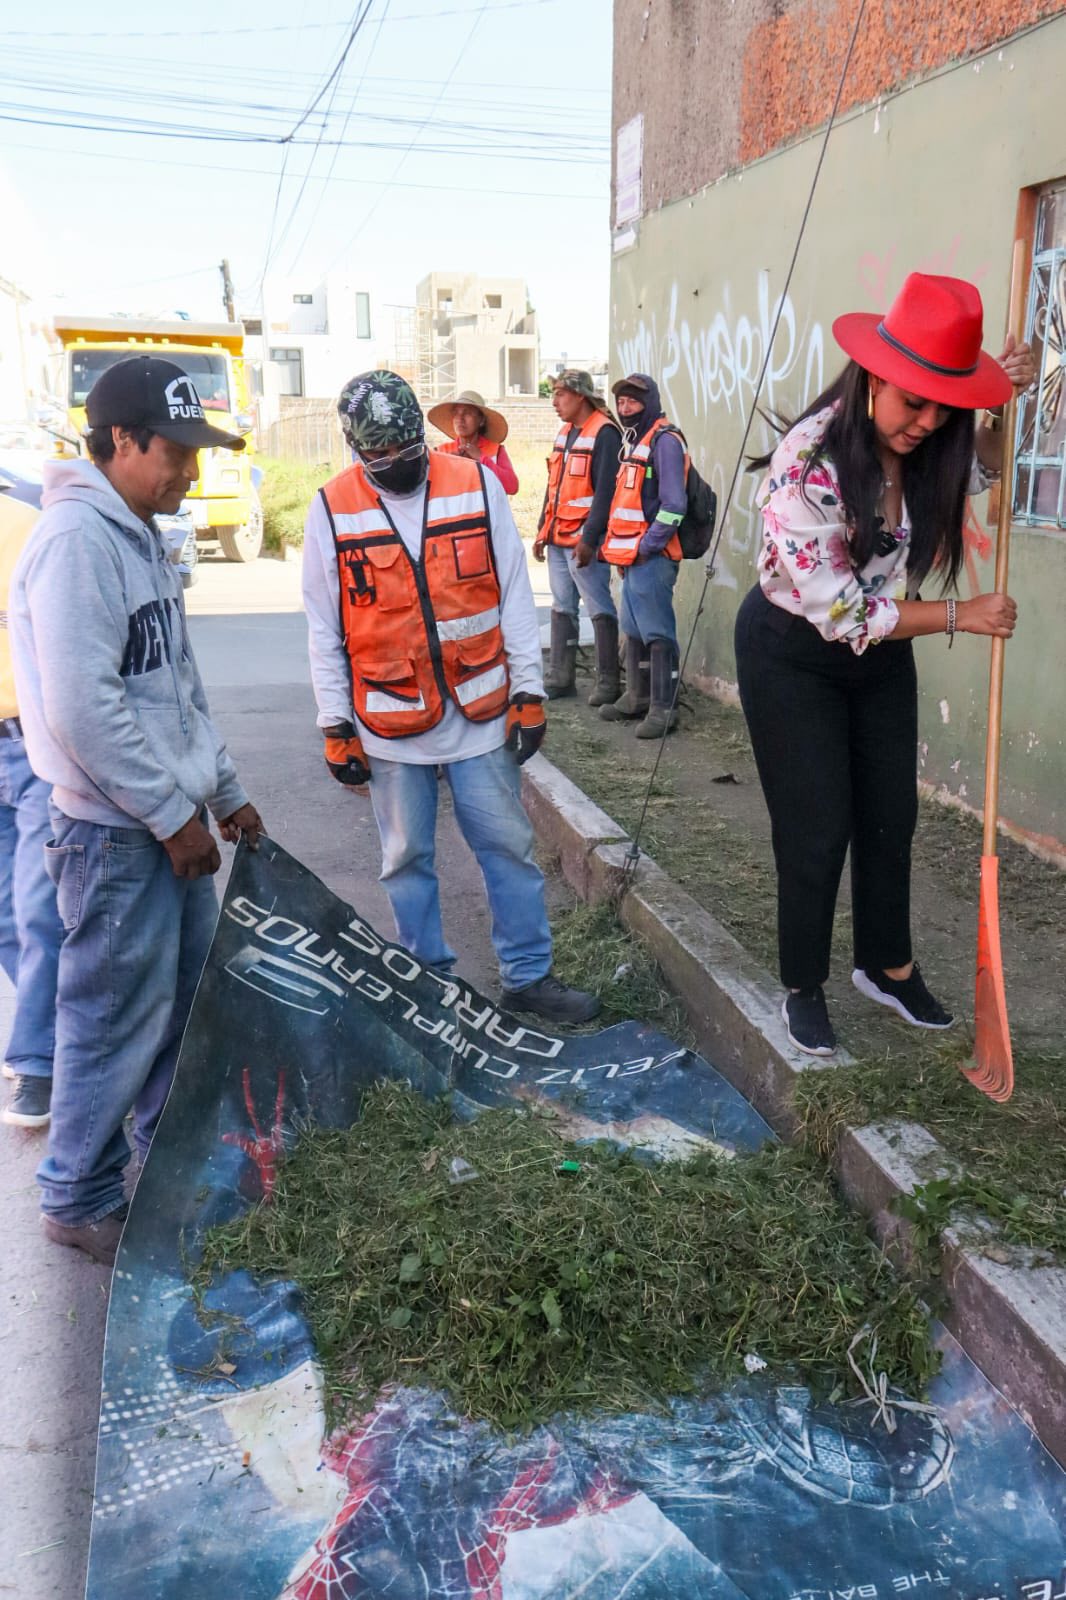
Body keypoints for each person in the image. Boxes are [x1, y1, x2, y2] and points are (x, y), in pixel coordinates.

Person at [734, 272, 1034, 1056]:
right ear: (873, 378)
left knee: (889, 815)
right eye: (913, 402)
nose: (927, 422)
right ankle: (804, 983)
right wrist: (961, 616)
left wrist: (997, 407)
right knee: (817, 823)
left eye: (945, 407)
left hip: (881, 650)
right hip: (794, 651)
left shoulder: (934, 438)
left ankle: (887, 966)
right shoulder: (808, 465)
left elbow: (982, 468)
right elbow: (840, 611)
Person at [10, 355, 264, 1264]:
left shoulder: (139, 534)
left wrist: (225, 793)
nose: (190, 469)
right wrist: (170, 815)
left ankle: (158, 1163)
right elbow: (85, 709)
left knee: (181, 1007)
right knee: (113, 1017)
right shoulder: (78, 543)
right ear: (121, 440)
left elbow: (175, 684)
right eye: (177, 449)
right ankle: (77, 1193)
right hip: (118, 837)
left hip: (165, 823)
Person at [302, 371, 600, 1028]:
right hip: (388, 721)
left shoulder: (475, 483)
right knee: (405, 859)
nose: (395, 466)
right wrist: (334, 725)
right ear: (357, 450)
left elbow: (513, 596)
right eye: (378, 458)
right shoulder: (331, 507)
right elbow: (324, 627)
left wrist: (528, 690)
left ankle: (528, 976)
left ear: (421, 438)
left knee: (507, 848)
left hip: (481, 712)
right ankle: (426, 982)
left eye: (406, 452)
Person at [0, 489, 63, 1130]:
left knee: (38, 909)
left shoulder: (26, 528)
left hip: (28, 746)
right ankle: (56, 1035)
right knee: (4, 915)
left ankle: (38, 1064)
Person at [598, 373, 688, 738]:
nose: (625, 408)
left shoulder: (665, 441)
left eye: (633, 402)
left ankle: (664, 708)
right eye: (620, 402)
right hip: (632, 558)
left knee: (657, 631)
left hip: (652, 556)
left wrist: (647, 547)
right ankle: (637, 696)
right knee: (633, 628)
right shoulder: (635, 442)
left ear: (648, 403)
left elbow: (673, 506)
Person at [534, 370, 623, 704]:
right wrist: (542, 529)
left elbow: (606, 493)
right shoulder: (565, 433)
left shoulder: (605, 432)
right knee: (562, 606)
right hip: (558, 538)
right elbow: (552, 486)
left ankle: (608, 682)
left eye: (560, 394)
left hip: (586, 541)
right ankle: (560, 677)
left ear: (580, 395)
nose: (555, 402)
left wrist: (590, 538)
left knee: (599, 606)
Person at [427, 390, 519, 495]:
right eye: (456, 413)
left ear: (481, 421)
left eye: (468, 413)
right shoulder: (441, 452)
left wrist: (481, 458)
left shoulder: (496, 451)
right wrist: (449, 464)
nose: (460, 418)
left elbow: (512, 487)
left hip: (487, 512)